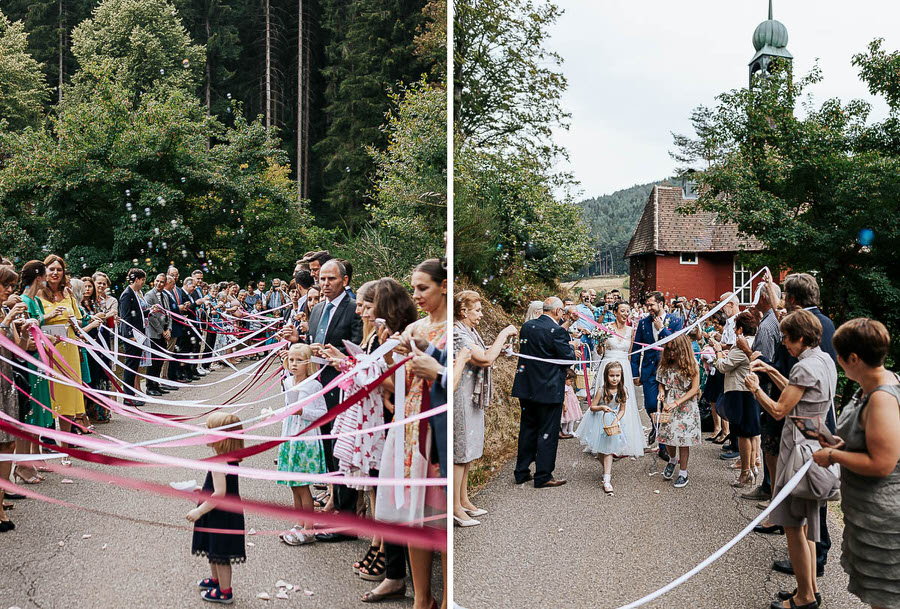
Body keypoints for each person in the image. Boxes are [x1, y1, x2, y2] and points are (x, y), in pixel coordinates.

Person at [745, 310, 836, 609]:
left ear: (799, 337)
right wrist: (770, 372)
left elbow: (779, 410)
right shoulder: (823, 360)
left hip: (799, 451)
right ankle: (807, 588)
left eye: (785, 337)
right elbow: (799, 393)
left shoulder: (804, 367)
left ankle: (805, 598)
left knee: (793, 526)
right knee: (808, 525)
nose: (782, 342)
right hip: (816, 442)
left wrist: (756, 389)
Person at [374, 259, 447, 609]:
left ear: (443, 286)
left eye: (424, 288)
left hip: (434, 428)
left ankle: (447, 598)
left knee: (437, 518)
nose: (416, 295)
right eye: (413, 288)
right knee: (414, 518)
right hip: (408, 423)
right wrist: (389, 353)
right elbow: (397, 384)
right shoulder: (415, 327)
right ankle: (422, 598)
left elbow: (453, 380)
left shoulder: (452, 330)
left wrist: (434, 367)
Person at [812, 318, 900, 609]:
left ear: (854, 358)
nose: (837, 362)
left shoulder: (882, 399)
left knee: (885, 596)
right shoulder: (867, 386)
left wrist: (833, 456)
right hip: (865, 512)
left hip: (883, 519)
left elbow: (882, 463)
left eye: (840, 356)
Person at [303, 259, 363, 540]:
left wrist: (335, 355)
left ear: (345, 280)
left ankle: (347, 514)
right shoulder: (315, 309)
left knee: (343, 446)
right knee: (327, 443)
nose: (324, 283)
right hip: (319, 385)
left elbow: (359, 349)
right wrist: (300, 342)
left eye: (330, 279)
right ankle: (334, 501)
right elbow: (312, 339)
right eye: (322, 279)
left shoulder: (354, 310)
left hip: (344, 386)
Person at [452, 290, 518, 525]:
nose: (480, 315)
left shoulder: (469, 331)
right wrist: (503, 334)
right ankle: (455, 508)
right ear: (463, 311)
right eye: (477, 310)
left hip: (471, 397)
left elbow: (486, 353)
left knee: (468, 450)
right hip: (460, 397)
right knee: (460, 452)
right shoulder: (457, 333)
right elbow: (485, 359)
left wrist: (501, 348)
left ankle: (464, 499)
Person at [511, 297, 578, 488]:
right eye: (562, 312)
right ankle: (543, 475)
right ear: (557, 312)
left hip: (526, 388)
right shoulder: (557, 332)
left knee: (527, 429)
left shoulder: (527, 326)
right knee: (547, 431)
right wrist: (571, 349)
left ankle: (522, 471)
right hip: (548, 390)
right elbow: (567, 359)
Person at [188, 412, 246, 605]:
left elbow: (219, 494)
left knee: (220, 554)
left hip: (220, 514)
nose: (205, 433)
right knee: (213, 548)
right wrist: (202, 489)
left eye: (208, 430)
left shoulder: (219, 463)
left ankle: (225, 591)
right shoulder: (228, 458)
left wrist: (199, 511)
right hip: (224, 512)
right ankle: (216, 581)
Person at [277, 343, 328, 546]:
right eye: (291, 360)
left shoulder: (314, 385)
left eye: (299, 360)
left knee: (303, 486)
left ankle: (309, 528)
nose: (294, 364)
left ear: (309, 363)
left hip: (305, 438)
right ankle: (299, 523)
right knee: (293, 485)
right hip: (290, 435)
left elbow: (323, 413)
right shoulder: (288, 382)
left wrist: (303, 412)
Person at [38, 255, 88, 451]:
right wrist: (49, 316)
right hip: (48, 348)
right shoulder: (38, 295)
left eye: (59, 269)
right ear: (45, 272)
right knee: (49, 393)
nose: (55, 273)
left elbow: (79, 320)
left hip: (68, 348)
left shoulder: (68, 294)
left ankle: (66, 443)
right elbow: (34, 320)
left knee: (68, 393)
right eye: (51, 269)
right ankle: (47, 439)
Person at [631, 291, 684, 460]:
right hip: (649, 371)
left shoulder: (675, 321)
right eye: (647, 305)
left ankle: (663, 447)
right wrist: (634, 373)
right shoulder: (644, 323)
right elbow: (636, 348)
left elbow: (676, 344)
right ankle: (655, 424)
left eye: (651, 304)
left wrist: (662, 329)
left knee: (667, 406)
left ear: (661, 304)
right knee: (651, 404)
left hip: (669, 371)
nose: (649, 308)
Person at [712, 310, 760, 488]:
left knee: (742, 434)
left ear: (740, 329)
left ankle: (745, 473)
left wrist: (717, 351)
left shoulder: (742, 345)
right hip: (749, 391)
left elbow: (724, 366)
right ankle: (753, 464)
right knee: (752, 432)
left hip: (740, 392)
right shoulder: (754, 342)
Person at [592, 301, 645, 457]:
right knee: (606, 400)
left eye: (628, 311)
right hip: (608, 365)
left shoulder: (631, 331)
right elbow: (600, 351)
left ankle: (623, 440)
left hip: (623, 368)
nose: (625, 314)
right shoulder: (606, 328)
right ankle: (602, 438)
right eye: (622, 310)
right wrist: (600, 342)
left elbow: (629, 353)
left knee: (623, 401)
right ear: (615, 312)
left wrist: (633, 372)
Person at [0, 266, 31, 528]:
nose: (10, 291)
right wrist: (9, 319)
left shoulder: (4, 312)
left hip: (7, 382)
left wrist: (27, 330)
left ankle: (1, 498)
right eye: (5, 285)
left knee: (8, 443)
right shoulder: (3, 314)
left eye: (12, 286)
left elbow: (17, 349)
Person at [575, 361, 629, 495]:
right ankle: (606, 469)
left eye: (618, 375)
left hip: (612, 422)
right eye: (612, 376)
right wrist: (602, 407)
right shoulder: (601, 390)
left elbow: (622, 410)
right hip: (599, 420)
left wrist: (616, 421)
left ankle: (607, 479)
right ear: (606, 376)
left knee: (608, 450)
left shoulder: (623, 390)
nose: (615, 378)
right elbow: (592, 407)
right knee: (600, 450)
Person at [657, 334, 702, 488]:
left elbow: (695, 389)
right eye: (668, 350)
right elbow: (661, 381)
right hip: (670, 400)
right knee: (669, 437)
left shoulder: (692, 364)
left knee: (683, 439)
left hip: (686, 404)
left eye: (673, 350)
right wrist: (662, 391)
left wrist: (677, 402)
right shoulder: (667, 363)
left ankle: (683, 472)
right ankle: (672, 459)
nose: (670, 353)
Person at [117, 268, 148, 407]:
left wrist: (148, 313)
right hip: (132, 336)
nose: (143, 283)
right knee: (130, 365)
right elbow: (125, 317)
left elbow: (137, 314)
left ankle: (131, 394)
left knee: (134, 365)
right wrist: (129, 336)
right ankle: (127, 396)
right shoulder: (126, 294)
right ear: (136, 279)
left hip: (138, 334)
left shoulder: (136, 293)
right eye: (142, 280)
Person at [143, 274, 172, 397]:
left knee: (160, 360)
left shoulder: (165, 296)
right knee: (154, 361)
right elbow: (152, 317)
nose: (159, 284)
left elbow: (169, 313)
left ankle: (157, 384)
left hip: (164, 331)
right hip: (155, 333)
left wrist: (169, 329)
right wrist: (162, 331)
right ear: (154, 281)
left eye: (162, 282)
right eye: (157, 281)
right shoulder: (149, 295)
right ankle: (150, 386)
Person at [560, 368, 582, 438]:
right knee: (569, 418)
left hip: (571, 404)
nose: (571, 383)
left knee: (569, 418)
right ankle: (569, 430)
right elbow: (564, 396)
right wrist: (565, 405)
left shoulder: (568, 386)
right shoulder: (565, 386)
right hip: (568, 405)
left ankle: (565, 430)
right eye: (570, 381)